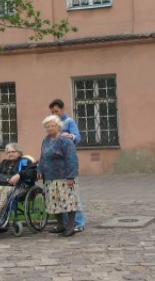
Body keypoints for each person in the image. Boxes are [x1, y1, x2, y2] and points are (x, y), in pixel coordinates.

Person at [37, 114, 81, 238]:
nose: (50, 128)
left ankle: (70, 227)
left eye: (53, 126)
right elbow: (42, 156)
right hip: (49, 176)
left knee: (69, 201)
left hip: (64, 176)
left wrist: (71, 176)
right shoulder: (46, 140)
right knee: (54, 202)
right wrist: (39, 169)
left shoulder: (64, 140)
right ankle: (60, 225)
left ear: (59, 126)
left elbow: (71, 158)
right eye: (47, 126)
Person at [49, 98, 86, 233]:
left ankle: (79, 223)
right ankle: (64, 223)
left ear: (62, 109)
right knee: (60, 195)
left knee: (72, 195)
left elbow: (77, 137)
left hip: (67, 163)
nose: (55, 114)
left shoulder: (69, 122)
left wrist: (70, 136)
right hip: (56, 166)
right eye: (52, 112)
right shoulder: (53, 124)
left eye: (56, 111)